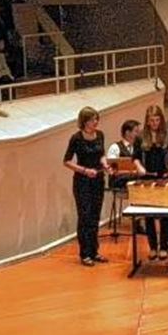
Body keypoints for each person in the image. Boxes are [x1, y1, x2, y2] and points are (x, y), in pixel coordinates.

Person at [63, 107, 112, 266]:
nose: (95, 122)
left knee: (95, 216)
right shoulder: (76, 138)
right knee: (85, 215)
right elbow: (67, 161)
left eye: (96, 119)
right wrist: (84, 170)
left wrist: (104, 163)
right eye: (92, 120)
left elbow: (102, 154)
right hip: (82, 181)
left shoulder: (100, 135)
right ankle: (84, 253)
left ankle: (94, 251)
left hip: (98, 178)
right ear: (84, 122)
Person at [133, 105, 168, 261]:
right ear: (147, 121)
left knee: (165, 213)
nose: (154, 123)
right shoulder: (140, 136)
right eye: (151, 120)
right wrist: (139, 167)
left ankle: (164, 246)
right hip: (148, 176)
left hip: (164, 175)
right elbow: (136, 156)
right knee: (149, 214)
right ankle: (153, 246)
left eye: (157, 120)